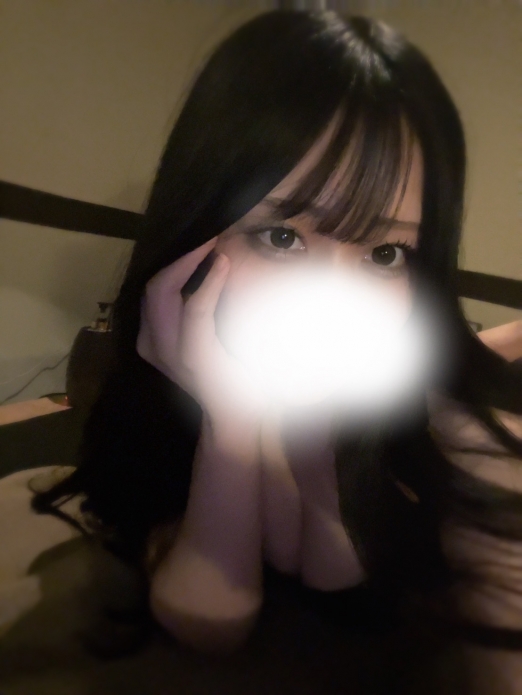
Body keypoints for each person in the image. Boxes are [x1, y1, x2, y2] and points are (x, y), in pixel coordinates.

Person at [28, 9, 522, 691]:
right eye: (282, 237)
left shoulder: (444, 424)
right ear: (198, 228)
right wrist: (231, 423)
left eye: (385, 253)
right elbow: (211, 620)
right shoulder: (161, 399)